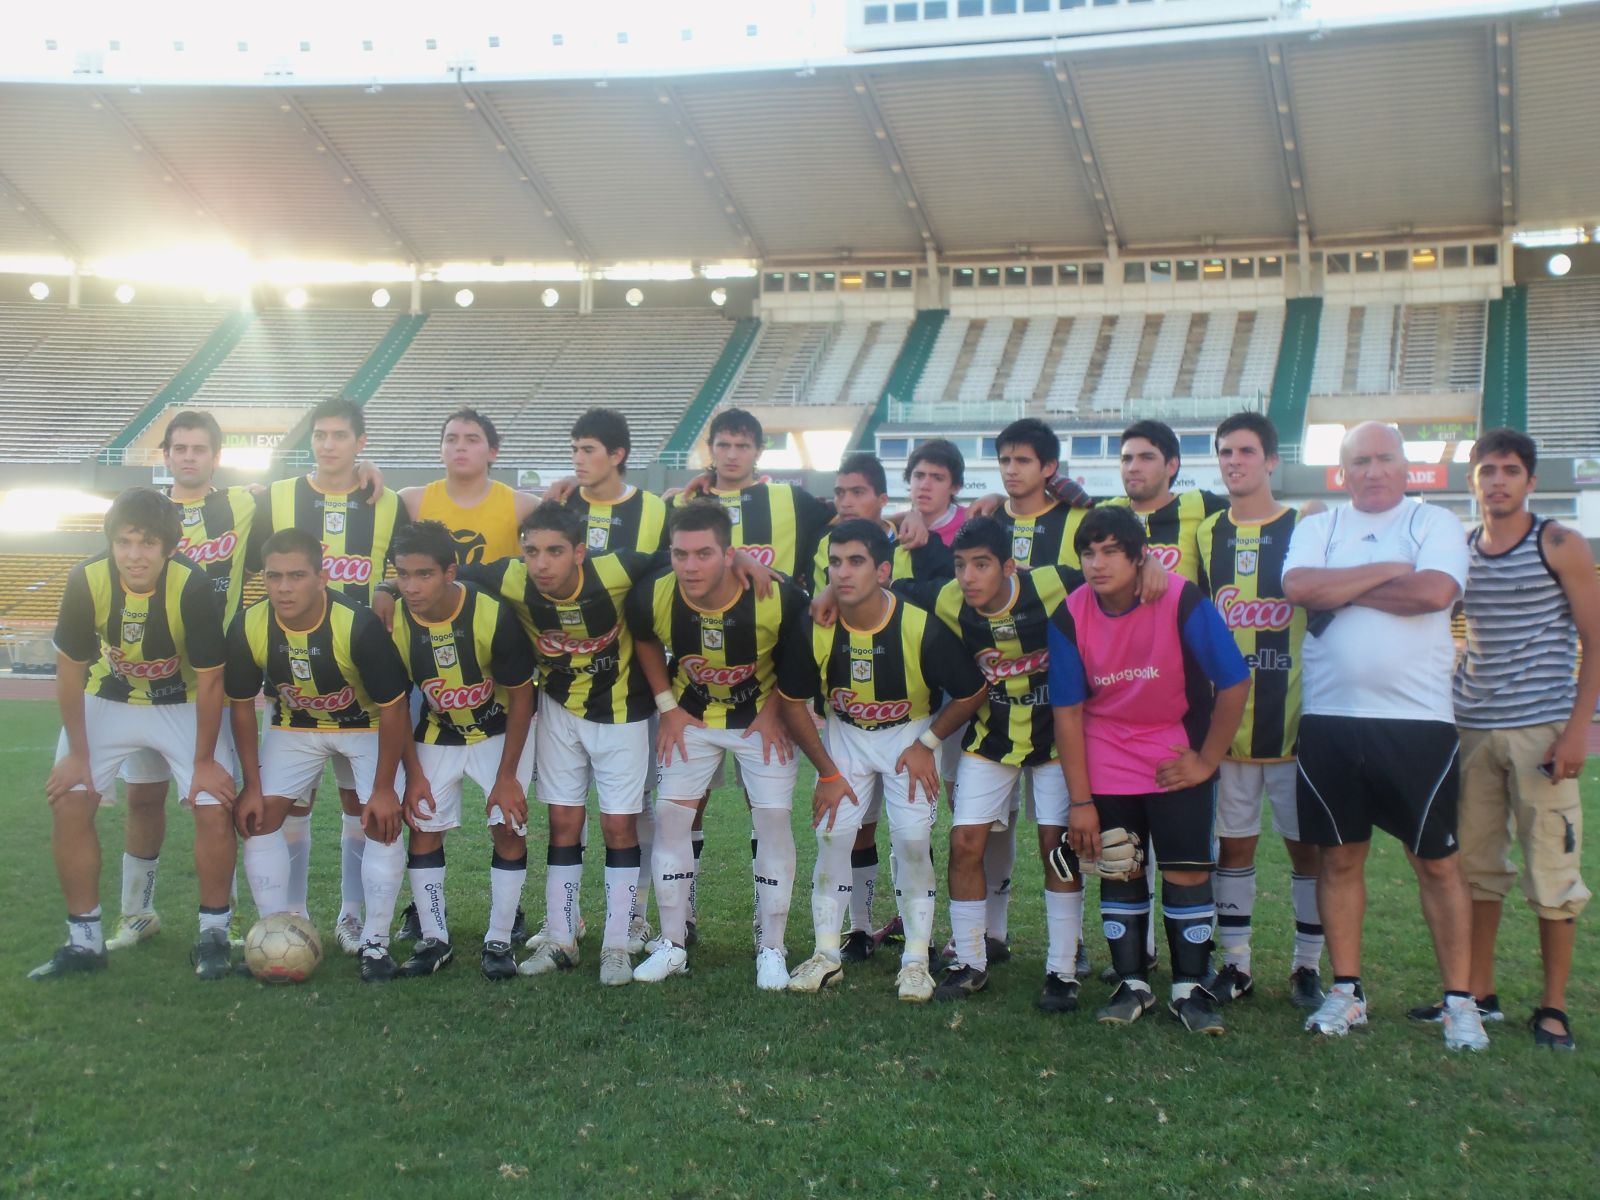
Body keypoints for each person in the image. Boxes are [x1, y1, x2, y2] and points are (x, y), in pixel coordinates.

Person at [1282, 421, 1487, 1050]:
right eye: (1360, 461)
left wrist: (1343, 587)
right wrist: (1386, 570)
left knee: (1437, 862)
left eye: (1384, 459)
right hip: (1331, 720)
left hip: (1418, 722)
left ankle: (1460, 1002)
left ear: (1406, 466)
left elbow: (1433, 592)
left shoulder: (1435, 523)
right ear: (1341, 472)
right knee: (1340, 857)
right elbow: (1298, 589)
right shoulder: (1319, 527)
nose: (1373, 471)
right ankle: (1347, 991)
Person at [1050, 507, 1249, 1033]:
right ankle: (1131, 983)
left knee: (1186, 871)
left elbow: (1234, 680)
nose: (1098, 563)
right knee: (1120, 866)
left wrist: (1206, 760)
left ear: (1141, 557)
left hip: (1174, 758)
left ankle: (1190, 987)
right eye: (1089, 553)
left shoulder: (1181, 599)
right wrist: (1080, 800)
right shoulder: (1070, 615)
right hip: (1106, 758)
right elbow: (1067, 712)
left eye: (1112, 551)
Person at [32, 487, 237, 980]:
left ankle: (213, 935)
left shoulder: (192, 585)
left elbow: (211, 678)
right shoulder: (86, 577)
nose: (134, 555)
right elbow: (70, 669)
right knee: (70, 797)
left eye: (147, 543)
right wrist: (78, 755)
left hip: (182, 700)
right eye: (124, 542)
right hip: (112, 697)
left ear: (170, 546)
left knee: (213, 805)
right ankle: (84, 940)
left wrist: (205, 762)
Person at [776, 519, 985, 1001]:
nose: (842, 574)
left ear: (883, 570)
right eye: (834, 563)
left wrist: (926, 744)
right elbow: (791, 701)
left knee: (913, 842)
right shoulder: (818, 624)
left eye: (856, 562)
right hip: (846, 736)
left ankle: (915, 959)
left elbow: (972, 691)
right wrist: (826, 771)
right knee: (832, 837)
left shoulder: (919, 626)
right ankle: (827, 955)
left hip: (908, 735)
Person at [452, 503, 660, 987]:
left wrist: (743, 561)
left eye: (554, 551)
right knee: (563, 824)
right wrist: (386, 587)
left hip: (623, 715)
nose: (541, 563)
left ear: (580, 553)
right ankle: (562, 938)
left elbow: (679, 560)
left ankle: (614, 946)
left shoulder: (618, 570)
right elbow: (445, 572)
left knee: (619, 828)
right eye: (531, 551)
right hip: (560, 715)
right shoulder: (510, 578)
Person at [894, 517, 1088, 1008]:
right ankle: (971, 962)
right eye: (960, 565)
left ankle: (1063, 971)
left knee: (1056, 846)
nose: (968, 577)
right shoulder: (946, 598)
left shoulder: (1056, 582)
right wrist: (831, 596)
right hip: (991, 737)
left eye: (981, 565)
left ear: (1009, 565)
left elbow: (1115, 577)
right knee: (964, 842)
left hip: (1057, 740)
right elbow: (890, 591)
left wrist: (1152, 570)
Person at [1448, 428, 1597, 1050]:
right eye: (1488, 470)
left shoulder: (1559, 543)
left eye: (1510, 470)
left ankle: (1553, 1006)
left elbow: (1596, 638)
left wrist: (1578, 730)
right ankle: (1479, 993)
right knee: (1477, 869)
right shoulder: (1461, 549)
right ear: (1474, 480)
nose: (1498, 480)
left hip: (1541, 729)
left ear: (1531, 481)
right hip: (1473, 727)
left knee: (1551, 872)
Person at [247, 396, 411, 954]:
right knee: (291, 802)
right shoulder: (279, 497)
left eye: (340, 435)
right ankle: (292, 916)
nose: (328, 444)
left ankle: (351, 914)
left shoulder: (387, 501)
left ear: (360, 443)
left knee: (354, 805)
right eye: (320, 435)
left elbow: (403, 566)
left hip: (363, 678)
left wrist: (387, 588)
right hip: (297, 676)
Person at [625, 502, 808, 990]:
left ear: (731, 554)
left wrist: (774, 713)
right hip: (694, 716)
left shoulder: (777, 596)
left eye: (704, 553)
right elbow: (643, 638)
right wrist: (667, 707)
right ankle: (672, 944)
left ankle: (772, 948)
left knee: (772, 820)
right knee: (669, 818)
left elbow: (800, 653)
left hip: (761, 719)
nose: (690, 565)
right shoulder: (655, 594)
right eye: (681, 554)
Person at [225, 528, 412, 981]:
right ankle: (276, 930)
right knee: (259, 819)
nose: (284, 587)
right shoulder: (249, 624)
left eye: (296, 576)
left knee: (381, 822)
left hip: (364, 725)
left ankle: (375, 943)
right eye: (274, 577)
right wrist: (251, 786)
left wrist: (385, 788)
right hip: (296, 726)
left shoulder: (358, 625)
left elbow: (394, 709)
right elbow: (241, 708)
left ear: (321, 577)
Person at [109, 411, 258, 953]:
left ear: (215, 456)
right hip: (142, 683)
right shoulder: (143, 515)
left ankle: (224, 919)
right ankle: (137, 911)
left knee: (213, 802)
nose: (189, 456)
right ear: (166, 455)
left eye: (199, 448)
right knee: (142, 801)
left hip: (207, 683)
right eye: (179, 448)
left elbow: (307, 500)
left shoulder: (243, 504)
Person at [1195, 412, 1326, 1010]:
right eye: (1225, 451)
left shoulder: (1306, 526)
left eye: (1246, 451)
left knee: (1307, 850)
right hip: (1230, 729)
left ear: (1271, 460)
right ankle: (1236, 964)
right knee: (1235, 846)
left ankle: (1306, 966)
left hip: (1296, 725)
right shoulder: (1206, 532)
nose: (1233, 461)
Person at [387, 521, 537, 981]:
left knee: (508, 828)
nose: (411, 587)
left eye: (424, 575)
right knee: (424, 827)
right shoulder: (391, 619)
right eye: (403, 575)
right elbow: (396, 703)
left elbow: (522, 695)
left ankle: (498, 938)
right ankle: (435, 938)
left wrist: (508, 776)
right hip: (436, 732)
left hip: (498, 732)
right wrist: (412, 773)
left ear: (450, 571)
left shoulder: (491, 613)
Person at [560, 406, 668, 951]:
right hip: (565, 685)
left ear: (617, 455)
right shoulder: (559, 506)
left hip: (633, 685)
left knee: (634, 807)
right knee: (567, 806)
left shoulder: (654, 510)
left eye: (588, 450)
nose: (577, 460)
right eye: (574, 450)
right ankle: (567, 919)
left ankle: (634, 917)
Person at [399, 407, 536, 564]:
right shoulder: (411, 501)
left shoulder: (523, 505)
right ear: (440, 451)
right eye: (451, 439)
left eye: (472, 440)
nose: (460, 447)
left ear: (493, 452)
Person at [1101, 419, 1228, 586]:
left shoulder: (1204, 506)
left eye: (1146, 458)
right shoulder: (1103, 514)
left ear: (1172, 466)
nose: (1132, 467)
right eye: (1126, 459)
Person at [904, 439, 969, 549]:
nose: (924, 486)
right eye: (919, 476)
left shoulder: (971, 522)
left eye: (937, 478)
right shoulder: (897, 528)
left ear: (955, 487)